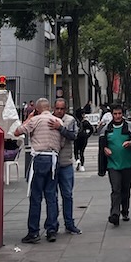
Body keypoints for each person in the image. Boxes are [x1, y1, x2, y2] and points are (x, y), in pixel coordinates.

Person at [14, 98, 66, 243]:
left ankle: (33, 231)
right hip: (53, 160)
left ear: (37, 109)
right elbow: (61, 143)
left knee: (36, 197)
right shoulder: (58, 121)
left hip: (39, 158)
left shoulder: (35, 120)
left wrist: (28, 119)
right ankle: (51, 230)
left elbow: (17, 132)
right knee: (51, 196)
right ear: (49, 107)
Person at [97, 104, 131, 226]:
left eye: (119, 114)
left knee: (125, 190)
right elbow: (102, 145)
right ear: (111, 114)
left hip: (128, 165)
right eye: (115, 114)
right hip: (113, 165)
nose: (117, 116)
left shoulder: (130, 127)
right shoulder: (106, 129)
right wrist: (105, 149)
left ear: (122, 114)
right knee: (116, 189)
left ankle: (125, 210)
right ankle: (114, 214)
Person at [51, 99, 82, 235]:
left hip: (65, 162)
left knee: (67, 195)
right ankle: (52, 225)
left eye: (62, 109)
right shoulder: (49, 119)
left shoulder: (70, 120)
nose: (59, 111)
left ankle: (69, 223)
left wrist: (60, 128)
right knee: (52, 196)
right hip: (51, 163)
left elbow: (73, 136)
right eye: (57, 108)